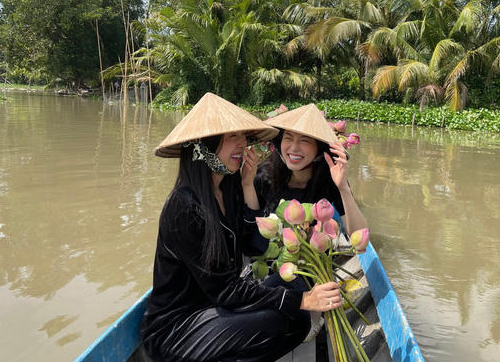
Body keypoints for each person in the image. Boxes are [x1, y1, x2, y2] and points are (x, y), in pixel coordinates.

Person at [141, 93, 342, 362]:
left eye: (243, 136)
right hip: (177, 329)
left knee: (295, 305)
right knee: (278, 319)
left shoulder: (229, 189)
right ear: (204, 145)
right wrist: (303, 300)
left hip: (217, 307)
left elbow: (254, 246)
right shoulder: (184, 206)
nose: (243, 144)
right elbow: (225, 290)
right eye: (232, 136)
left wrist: (247, 185)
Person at [247, 104, 368, 235]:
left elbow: (359, 235)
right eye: (288, 138)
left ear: (319, 149)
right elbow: (251, 223)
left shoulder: (331, 178)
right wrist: (247, 184)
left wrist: (343, 188)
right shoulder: (265, 173)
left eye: (304, 140)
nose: (294, 148)